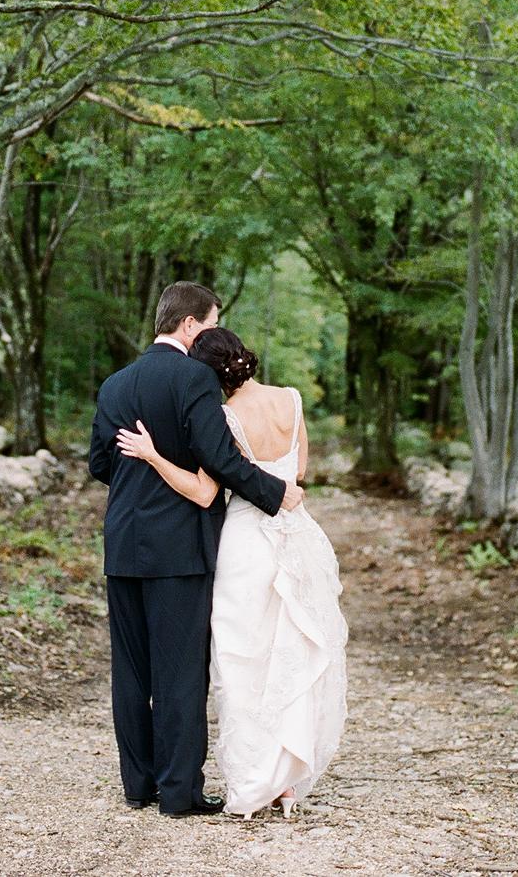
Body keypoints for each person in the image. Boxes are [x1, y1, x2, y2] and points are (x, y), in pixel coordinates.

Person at [88, 283, 305, 819]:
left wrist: (142, 470)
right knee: (181, 671)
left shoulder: (115, 383)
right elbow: (219, 458)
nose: (214, 334)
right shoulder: (195, 379)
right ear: (190, 326)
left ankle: (138, 785)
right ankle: (180, 793)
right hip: (180, 547)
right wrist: (277, 495)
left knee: (132, 671)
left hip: (123, 543)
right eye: (210, 324)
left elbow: (99, 464)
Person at [116, 327, 348, 820]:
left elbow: (207, 489)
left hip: (245, 542)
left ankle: (252, 781)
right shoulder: (292, 399)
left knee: (241, 660)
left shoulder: (222, 417)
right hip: (294, 534)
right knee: (291, 651)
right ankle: (288, 780)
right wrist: (282, 485)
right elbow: (298, 471)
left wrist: (153, 454)